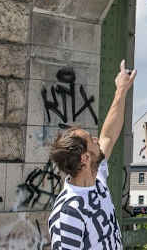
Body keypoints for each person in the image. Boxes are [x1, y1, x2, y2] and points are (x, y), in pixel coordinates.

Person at [47, 60, 137, 249]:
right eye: (91, 140)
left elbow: (108, 135)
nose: (97, 140)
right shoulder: (68, 212)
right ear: (85, 158)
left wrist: (121, 90)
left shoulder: (97, 178)